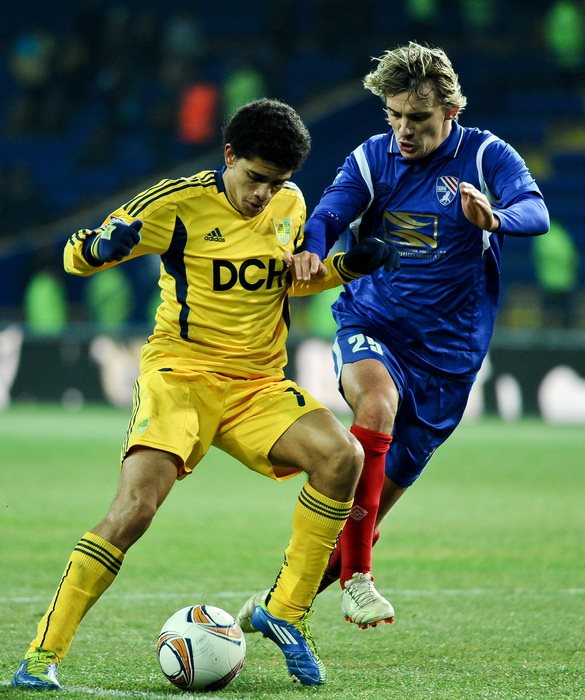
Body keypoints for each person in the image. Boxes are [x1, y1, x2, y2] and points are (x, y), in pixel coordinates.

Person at [11, 98, 398, 691]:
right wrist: (102, 250)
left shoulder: (291, 204)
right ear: (229, 155)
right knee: (134, 510)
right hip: (181, 379)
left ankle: (287, 612)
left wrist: (347, 266)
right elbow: (75, 253)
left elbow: (290, 280)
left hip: (257, 384)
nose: (263, 195)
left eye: (277, 183)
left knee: (342, 457)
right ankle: (42, 655)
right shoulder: (175, 203)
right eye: (255, 178)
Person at [236, 43, 550, 632]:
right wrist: (312, 249)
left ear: (451, 112)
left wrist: (495, 218)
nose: (404, 130)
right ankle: (359, 580)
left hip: (450, 360)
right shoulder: (371, 158)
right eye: (395, 115)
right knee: (376, 404)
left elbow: (536, 211)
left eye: (418, 118)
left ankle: (273, 608)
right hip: (373, 324)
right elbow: (329, 213)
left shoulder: (486, 155)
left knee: (365, 514)